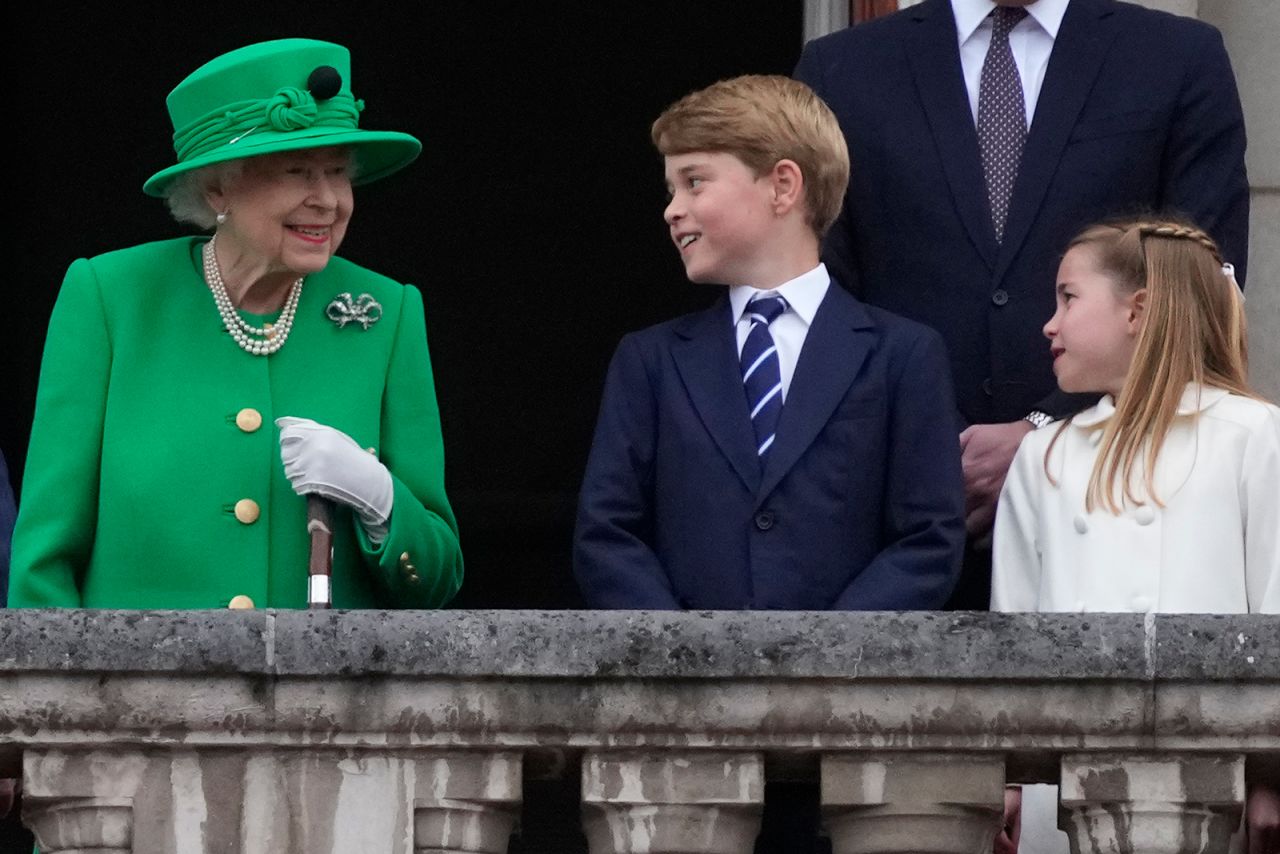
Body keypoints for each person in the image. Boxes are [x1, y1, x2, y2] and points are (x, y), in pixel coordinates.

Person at [794, 0, 1250, 609]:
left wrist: (1045, 433)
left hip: (1116, 502)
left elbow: (1197, 281)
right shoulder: (842, 68)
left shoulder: (1177, 57)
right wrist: (933, 451)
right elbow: (817, 289)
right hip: (897, 522)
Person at [7, 39, 462, 609]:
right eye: (298, 171)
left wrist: (382, 504)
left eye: (338, 173)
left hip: (322, 693)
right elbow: (43, 564)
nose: (328, 200)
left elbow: (438, 581)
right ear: (219, 186)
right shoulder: (110, 298)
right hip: (134, 692)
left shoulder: (386, 312)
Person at [573, 74, 965, 613]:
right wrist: (679, 652)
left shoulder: (903, 355)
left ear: (783, 186)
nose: (672, 209)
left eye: (694, 182)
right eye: (672, 190)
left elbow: (926, 539)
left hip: (845, 687)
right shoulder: (650, 361)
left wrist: (826, 655)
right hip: (686, 686)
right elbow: (608, 531)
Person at [991, 218, 1279, 854]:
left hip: (1211, 785)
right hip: (1062, 789)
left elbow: (1275, 610)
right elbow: (1012, 634)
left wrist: (1271, 775)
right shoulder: (1045, 454)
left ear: (1137, 311)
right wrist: (1010, 776)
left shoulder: (1253, 436)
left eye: (1068, 298)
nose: (1050, 323)